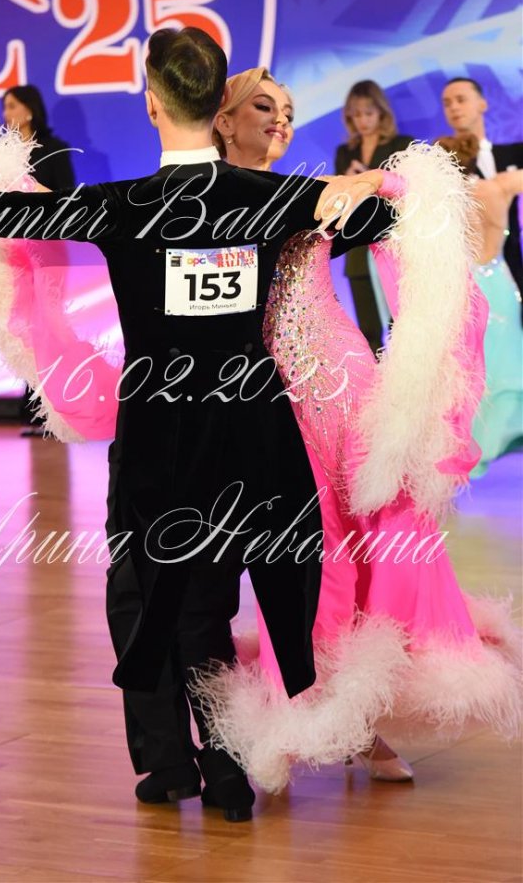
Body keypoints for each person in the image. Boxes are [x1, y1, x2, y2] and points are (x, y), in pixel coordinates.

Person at [0, 27, 406, 823]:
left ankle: (200, 768)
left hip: (161, 441)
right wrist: (364, 186)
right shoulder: (270, 196)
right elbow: (386, 222)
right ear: (217, 104)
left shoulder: (125, 203)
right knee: (209, 604)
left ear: (151, 104)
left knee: (160, 599)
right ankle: (220, 769)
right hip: (253, 438)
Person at [192, 70, 521, 795]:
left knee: (389, 534)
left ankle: (365, 718)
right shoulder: (203, 201)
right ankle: (303, 713)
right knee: (304, 556)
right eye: (263, 106)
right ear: (222, 119)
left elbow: (416, 205)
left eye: (287, 110)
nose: (281, 120)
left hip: (346, 386)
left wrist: (373, 178)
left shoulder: (316, 194)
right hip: (268, 397)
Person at [436, 134, 523, 476]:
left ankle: (475, 449)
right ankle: (500, 439)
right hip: (501, 284)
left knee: (472, 370)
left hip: (469, 288)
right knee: (507, 363)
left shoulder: (446, 201)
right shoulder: (499, 187)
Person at [2, 84, 77, 434]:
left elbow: (67, 201)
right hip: (14, 255)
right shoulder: (4, 155)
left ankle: (55, 407)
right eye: (4, 107)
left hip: (48, 253)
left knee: (49, 327)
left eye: (12, 106)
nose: (6, 114)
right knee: (24, 330)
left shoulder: (55, 151)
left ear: (29, 110)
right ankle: (33, 407)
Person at [334, 80, 413, 355]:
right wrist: (348, 182)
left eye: (368, 113)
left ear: (381, 112)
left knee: (402, 328)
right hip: (356, 247)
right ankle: (374, 379)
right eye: (356, 114)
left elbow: (408, 193)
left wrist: (372, 182)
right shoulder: (345, 152)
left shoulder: (402, 145)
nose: (363, 120)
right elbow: (337, 202)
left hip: (394, 245)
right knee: (367, 332)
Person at [441, 77, 523, 307]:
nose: (454, 107)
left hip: (512, 263)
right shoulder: (442, 162)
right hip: (465, 272)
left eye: (461, 100)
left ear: (482, 104)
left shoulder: (514, 153)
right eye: (447, 103)